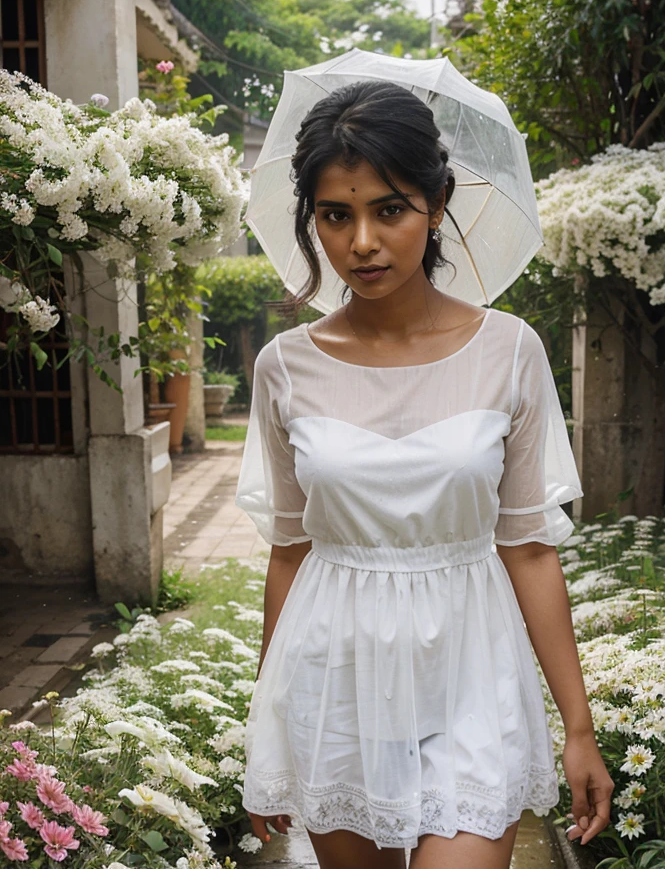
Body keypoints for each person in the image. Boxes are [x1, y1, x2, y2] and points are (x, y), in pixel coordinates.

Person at [234, 79, 614, 869]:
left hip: (471, 667)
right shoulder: (285, 368)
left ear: (437, 204)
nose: (362, 242)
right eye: (336, 215)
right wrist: (264, 730)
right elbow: (289, 552)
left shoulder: (510, 351)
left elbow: (530, 548)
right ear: (313, 220)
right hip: (334, 674)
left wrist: (579, 728)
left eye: (389, 208)